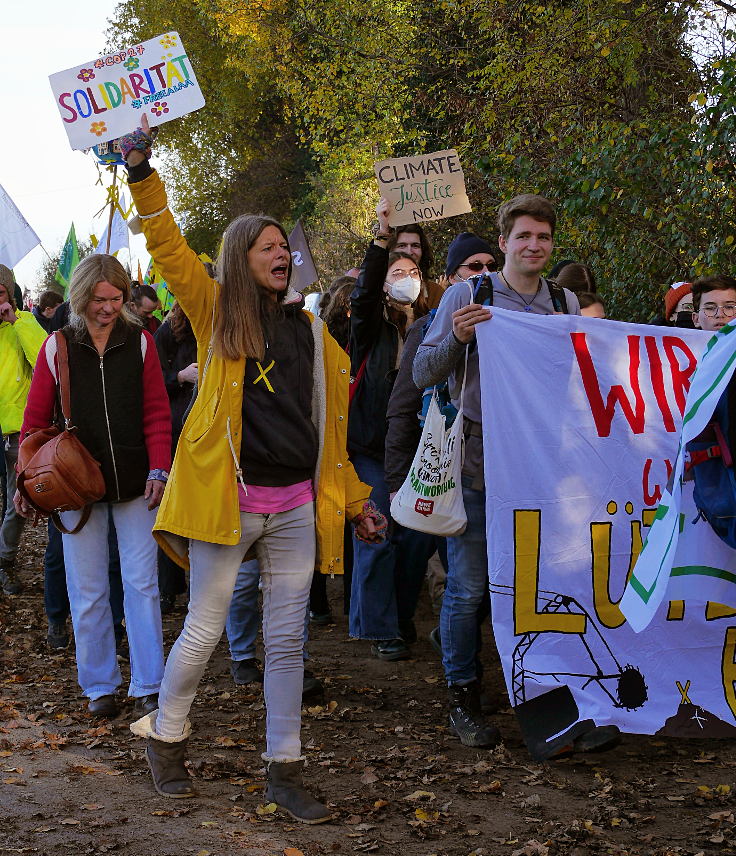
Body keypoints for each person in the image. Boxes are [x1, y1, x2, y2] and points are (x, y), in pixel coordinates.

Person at [121, 119, 379, 822]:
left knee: (288, 639)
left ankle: (284, 767)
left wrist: (357, 502)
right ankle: (167, 737)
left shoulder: (311, 331)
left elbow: (329, 436)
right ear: (242, 258)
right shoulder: (214, 312)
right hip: (228, 502)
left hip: (297, 503)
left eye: (283, 249)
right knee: (204, 626)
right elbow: (168, 248)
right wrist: (142, 169)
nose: (281, 256)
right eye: (267, 248)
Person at [413, 195, 623, 759]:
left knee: (547, 587)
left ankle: (556, 702)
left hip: (547, 470)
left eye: (544, 238)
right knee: (470, 587)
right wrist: (457, 336)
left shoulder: (564, 299)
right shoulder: (469, 293)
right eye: (524, 236)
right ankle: (464, 699)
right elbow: (421, 371)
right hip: (481, 464)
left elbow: (586, 385)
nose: (534, 246)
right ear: (503, 241)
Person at [16, 254, 170, 718]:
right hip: (73, 486)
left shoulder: (141, 342)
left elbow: (157, 414)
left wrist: (159, 469)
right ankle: (99, 685)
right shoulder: (56, 347)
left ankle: (149, 684)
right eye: (100, 299)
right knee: (87, 591)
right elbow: (34, 423)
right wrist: (26, 483)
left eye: (117, 298)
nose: (109, 308)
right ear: (81, 297)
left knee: (143, 585)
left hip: (135, 482)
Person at [348, 197, 443, 661]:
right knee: (378, 529)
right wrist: (380, 240)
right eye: (394, 272)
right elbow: (361, 298)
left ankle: (403, 616)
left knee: (417, 538)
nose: (405, 280)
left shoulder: (433, 326)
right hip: (369, 448)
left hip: (419, 448)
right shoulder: (369, 326)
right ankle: (381, 628)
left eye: (412, 272)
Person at [0, 264, 46, 595]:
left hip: (16, 434)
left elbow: (45, 359)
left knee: (15, 503)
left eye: (0, 292)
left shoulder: (23, 324)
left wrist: (17, 320)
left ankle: (4, 563)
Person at [154, 301, 197, 613]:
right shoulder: (168, 331)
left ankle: (201, 588)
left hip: (210, 436)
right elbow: (152, 382)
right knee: (170, 513)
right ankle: (169, 588)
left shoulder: (221, 327)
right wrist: (180, 376)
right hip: (175, 432)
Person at [386, 225, 445, 309]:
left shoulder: (435, 292)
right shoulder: (375, 293)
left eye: (415, 246)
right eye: (402, 245)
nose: (409, 252)